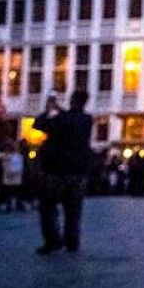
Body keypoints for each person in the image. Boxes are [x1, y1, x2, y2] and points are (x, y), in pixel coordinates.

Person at [34, 90, 93, 255]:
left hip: (54, 170)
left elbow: (38, 124)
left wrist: (49, 108)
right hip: (77, 171)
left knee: (47, 207)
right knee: (73, 210)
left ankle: (52, 240)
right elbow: (71, 119)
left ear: (72, 100)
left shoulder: (60, 118)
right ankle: (71, 241)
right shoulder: (87, 120)